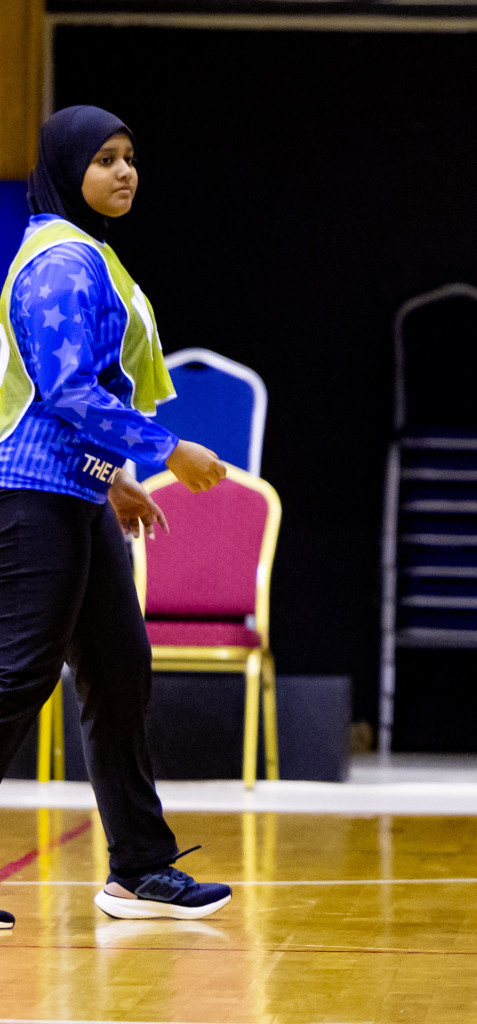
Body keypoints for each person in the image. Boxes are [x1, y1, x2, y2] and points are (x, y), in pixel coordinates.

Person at [0, 105, 231, 931]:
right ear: (69, 170)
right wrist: (166, 452)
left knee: (120, 672)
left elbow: (75, 397)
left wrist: (113, 480)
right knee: (17, 676)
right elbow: (65, 392)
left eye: (131, 156)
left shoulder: (89, 253)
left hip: (76, 490)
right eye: (104, 159)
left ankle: (138, 869)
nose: (124, 172)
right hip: (30, 494)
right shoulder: (61, 260)